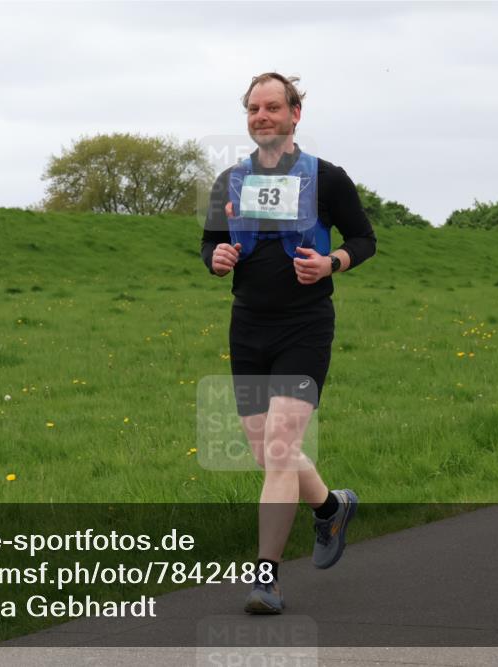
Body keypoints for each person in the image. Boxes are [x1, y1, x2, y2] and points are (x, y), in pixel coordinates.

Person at [201, 73, 377, 614]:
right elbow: (211, 243)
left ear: (295, 114)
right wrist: (218, 259)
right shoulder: (231, 180)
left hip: (305, 325)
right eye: (254, 108)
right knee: (265, 450)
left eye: (273, 107)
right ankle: (329, 508)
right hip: (248, 326)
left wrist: (333, 262)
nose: (262, 116)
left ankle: (266, 579)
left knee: (279, 446)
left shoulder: (327, 178)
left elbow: (364, 239)